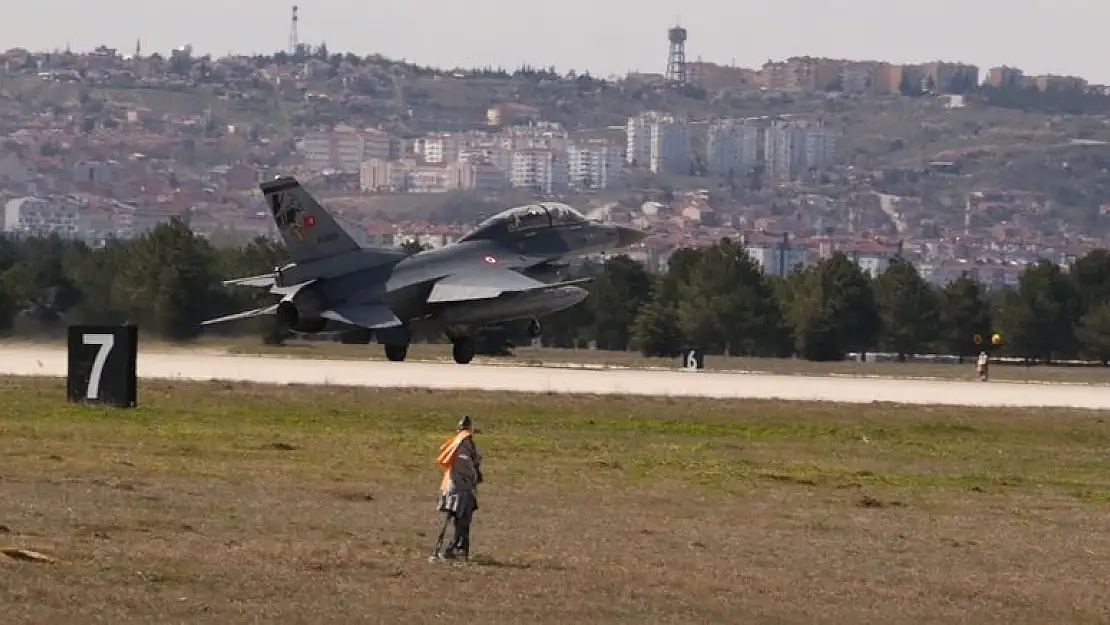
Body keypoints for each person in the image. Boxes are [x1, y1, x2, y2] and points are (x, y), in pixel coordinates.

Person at [432, 415, 483, 561]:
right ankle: (455, 549)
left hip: (454, 487)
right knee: (462, 521)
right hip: (461, 489)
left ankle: (459, 549)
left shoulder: (460, 442)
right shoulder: (464, 443)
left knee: (459, 521)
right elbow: (465, 463)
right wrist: (473, 476)